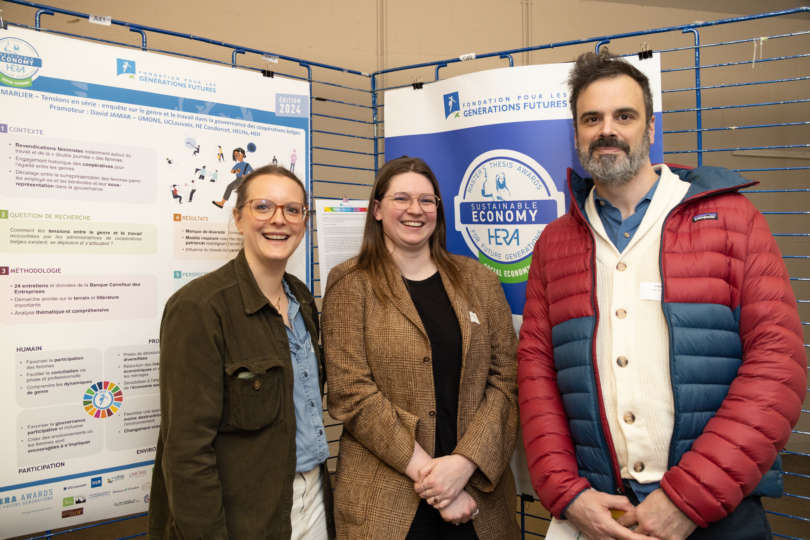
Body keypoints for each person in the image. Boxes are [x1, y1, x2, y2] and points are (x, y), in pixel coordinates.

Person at [517, 49, 806, 540]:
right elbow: (536, 374)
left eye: (624, 116)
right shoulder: (555, 243)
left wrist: (688, 499)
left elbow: (778, 365)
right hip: (600, 509)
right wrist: (568, 493)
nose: (607, 129)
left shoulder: (734, 221)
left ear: (650, 129)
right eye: (592, 118)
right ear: (577, 134)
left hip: (718, 510)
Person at [322, 156, 520, 540]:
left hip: (477, 496)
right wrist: (435, 482)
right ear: (377, 210)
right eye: (401, 199)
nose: (415, 210)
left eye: (427, 201)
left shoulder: (479, 279)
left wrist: (463, 465)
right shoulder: (350, 283)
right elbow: (351, 393)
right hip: (386, 502)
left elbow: (506, 379)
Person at [149, 165, 334, 539]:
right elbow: (186, 452)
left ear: (304, 221)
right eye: (263, 207)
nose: (279, 220)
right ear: (238, 218)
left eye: (293, 210)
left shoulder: (301, 299)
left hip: (311, 501)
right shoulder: (199, 308)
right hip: (244, 518)